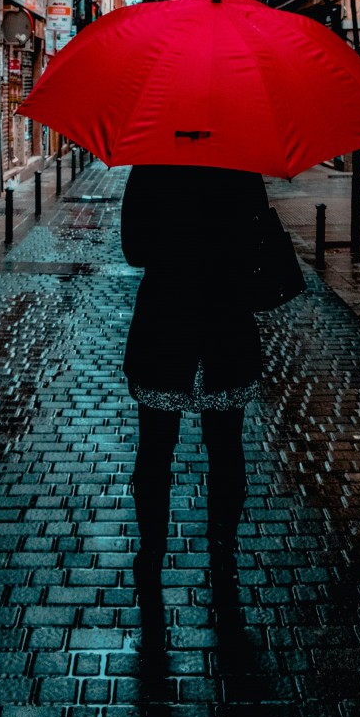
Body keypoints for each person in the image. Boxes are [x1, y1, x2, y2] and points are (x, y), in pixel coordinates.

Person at [121, 164, 268, 597]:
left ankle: (151, 553)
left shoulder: (151, 166)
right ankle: (222, 550)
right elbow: (258, 242)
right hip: (225, 327)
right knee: (226, 447)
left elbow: (133, 249)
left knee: (155, 449)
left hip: (166, 324)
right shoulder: (242, 167)